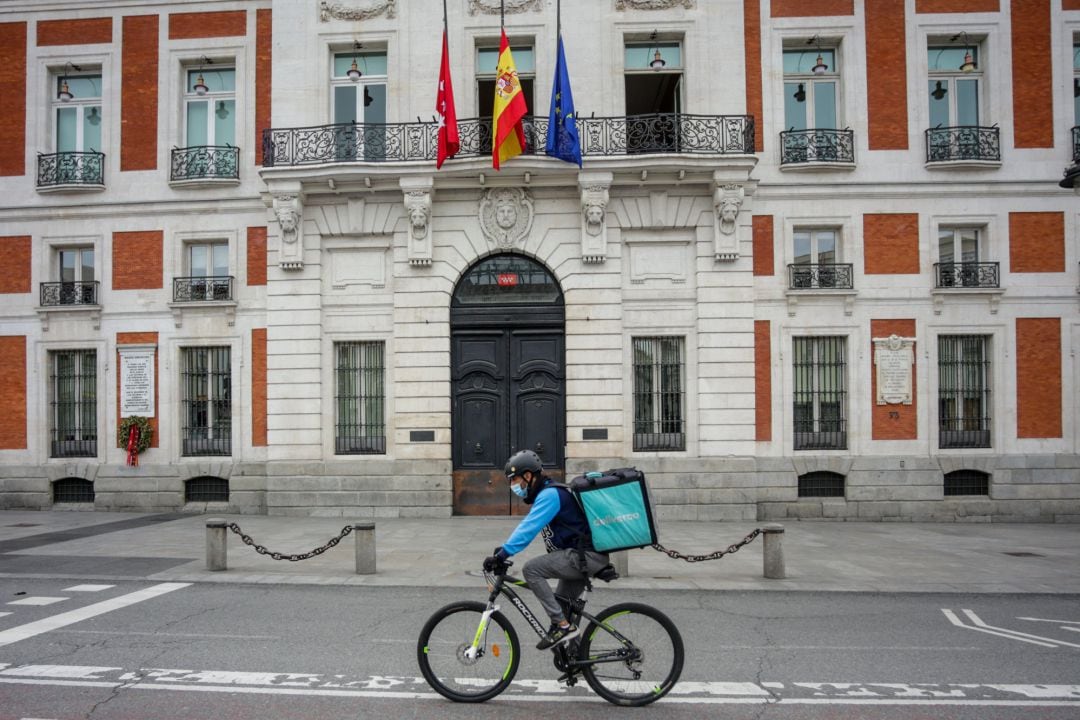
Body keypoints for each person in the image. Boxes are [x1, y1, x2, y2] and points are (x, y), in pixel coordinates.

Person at [482, 450, 610, 650]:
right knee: (563, 607)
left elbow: (528, 529)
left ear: (528, 475)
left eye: (514, 479)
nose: (513, 485)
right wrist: (505, 549)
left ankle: (562, 626)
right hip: (583, 557)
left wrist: (503, 555)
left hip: (585, 557)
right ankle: (577, 660)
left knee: (532, 569)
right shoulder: (550, 492)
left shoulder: (550, 495)